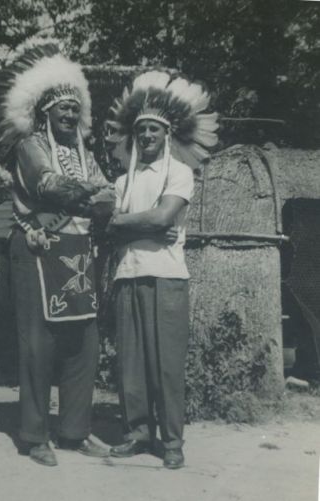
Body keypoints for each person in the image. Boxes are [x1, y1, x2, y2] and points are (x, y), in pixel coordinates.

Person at [0, 40, 114, 467]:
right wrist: (92, 194)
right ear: (46, 112)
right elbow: (47, 185)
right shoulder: (29, 146)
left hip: (77, 252)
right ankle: (35, 436)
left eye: (75, 109)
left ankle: (75, 431)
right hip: (37, 248)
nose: (70, 115)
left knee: (84, 344)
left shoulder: (84, 154)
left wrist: (96, 195)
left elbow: (108, 196)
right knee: (37, 344)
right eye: (62, 109)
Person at [105, 70, 218, 469]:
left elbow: (163, 217)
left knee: (166, 365)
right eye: (141, 130)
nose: (147, 136)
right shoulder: (122, 182)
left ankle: (172, 441)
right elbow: (114, 228)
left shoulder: (179, 173)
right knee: (131, 363)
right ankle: (137, 433)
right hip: (127, 275)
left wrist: (127, 223)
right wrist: (144, 225)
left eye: (154, 129)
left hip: (167, 277)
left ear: (166, 135)